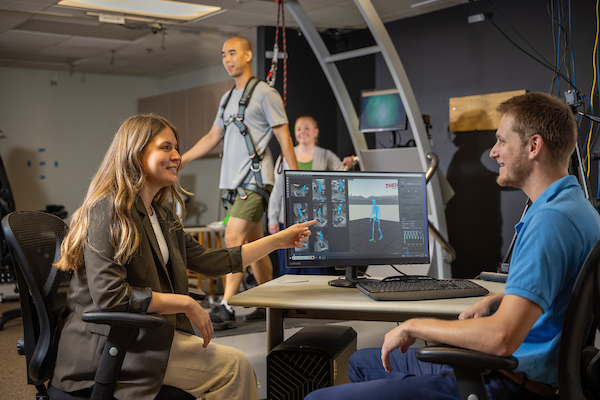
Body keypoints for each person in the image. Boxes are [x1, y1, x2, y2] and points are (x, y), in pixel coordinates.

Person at [305, 92, 600, 400]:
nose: (493, 152)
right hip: (520, 372)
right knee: (362, 361)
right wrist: (495, 301)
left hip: (508, 384)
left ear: (533, 146)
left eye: (501, 141)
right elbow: (552, 295)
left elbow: (501, 338)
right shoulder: (578, 208)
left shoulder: (549, 222)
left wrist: (415, 326)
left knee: (317, 398)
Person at [51, 114, 315, 400]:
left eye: (176, 148)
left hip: (144, 337)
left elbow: (211, 260)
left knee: (235, 366)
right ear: (136, 153)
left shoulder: (160, 214)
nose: (177, 156)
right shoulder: (106, 210)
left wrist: (278, 241)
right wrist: (185, 303)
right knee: (234, 367)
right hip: (108, 350)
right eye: (166, 147)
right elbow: (111, 296)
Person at [179, 36, 298, 329]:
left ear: (248, 55)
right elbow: (211, 136)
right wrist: (182, 159)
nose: (227, 59)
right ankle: (268, 303)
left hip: (255, 180)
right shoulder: (227, 98)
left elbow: (284, 138)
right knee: (255, 246)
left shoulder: (266, 94)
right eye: (223, 55)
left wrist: (298, 181)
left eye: (232, 53)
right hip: (234, 183)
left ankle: (228, 305)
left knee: (232, 239)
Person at [267, 115, 354, 276]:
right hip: (288, 220)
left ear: (315, 132)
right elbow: (277, 189)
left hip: (316, 221)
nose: (303, 131)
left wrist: (349, 163)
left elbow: (340, 174)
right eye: (299, 128)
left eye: (307, 128)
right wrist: (272, 219)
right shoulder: (284, 156)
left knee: (316, 268)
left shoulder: (325, 155)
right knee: (289, 269)